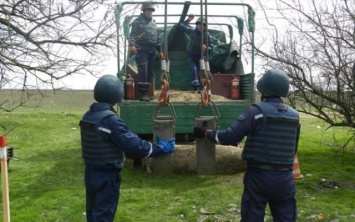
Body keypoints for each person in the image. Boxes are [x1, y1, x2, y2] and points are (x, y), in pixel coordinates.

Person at [193, 69, 300, 222]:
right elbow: (292, 149)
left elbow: (228, 137)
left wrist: (206, 133)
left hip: (259, 177)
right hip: (285, 179)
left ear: (264, 90)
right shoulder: (294, 116)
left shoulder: (256, 112)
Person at [79, 74, 175, 222]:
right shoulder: (110, 120)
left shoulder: (89, 115)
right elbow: (134, 147)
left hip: (91, 172)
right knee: (103, 215)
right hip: (107, 175)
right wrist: (159, 148)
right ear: (117, 95)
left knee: (93, 213)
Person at [129, 1, 163, 101]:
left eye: (151, 10)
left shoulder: (154, 23)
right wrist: (132, 45)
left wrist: (160, 51)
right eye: (148, 10)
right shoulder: (137, 22)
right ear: (143, 10)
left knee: (150, 72)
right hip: (141, 50)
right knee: (143, 71)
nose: (150, 12)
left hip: (152, 50)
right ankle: (142, 93)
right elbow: (133, 35)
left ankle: (146, 93)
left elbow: (157, 38)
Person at [180, 15, 213, 93]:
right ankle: (196, 87)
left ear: (205, 26)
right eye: (199, 24)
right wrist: (188, 20)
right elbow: (181, 27)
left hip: (201, 58)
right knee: (193, 69)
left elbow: (211, 46)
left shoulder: (207, 35)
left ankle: (202, 88)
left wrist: (207, 47)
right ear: (197, 25)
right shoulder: (192, 31)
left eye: (202, 25)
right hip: (191, 56)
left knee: (200, 73)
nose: (200, 26)